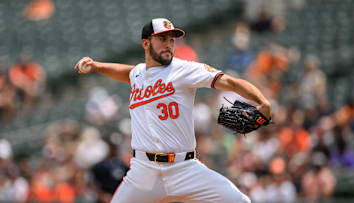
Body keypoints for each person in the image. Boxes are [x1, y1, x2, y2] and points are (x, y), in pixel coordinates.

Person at [74, 18, 271, 203]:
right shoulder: (138, 74)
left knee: (240, 201)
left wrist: (261, 101)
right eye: (161, 38)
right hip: (144, 171)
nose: (168, 43)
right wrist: (97, 66)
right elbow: (128, 72)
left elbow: (230, 81)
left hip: (184, 168)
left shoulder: (184, 69)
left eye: (171, 39)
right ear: (145, 43)